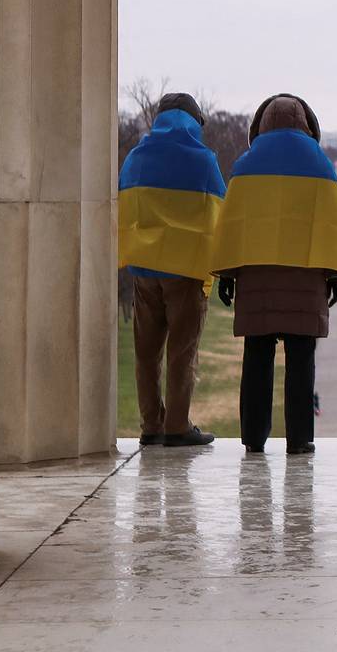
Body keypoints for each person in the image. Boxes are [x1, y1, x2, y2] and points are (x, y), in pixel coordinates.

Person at [212, 94, 337, 456]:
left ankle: (254, 438)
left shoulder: (246, 165)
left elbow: (231, 226)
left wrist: (227, 274)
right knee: (301, 361)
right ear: (307, 123)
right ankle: (299, 439)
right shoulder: (320, 164)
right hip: (304, 280)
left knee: (256, 358)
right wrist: (334, 273)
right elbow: (333, 226)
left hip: (257, 278)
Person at [118, 92, 226, 448]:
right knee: (183, 351)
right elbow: (219, 216)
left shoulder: (136, 156)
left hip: (145, 268)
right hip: (186, 270)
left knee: (146, 352)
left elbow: (126, 211)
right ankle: (178, 425)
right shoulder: (204, 160)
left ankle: (151, 424)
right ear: (196, 122)